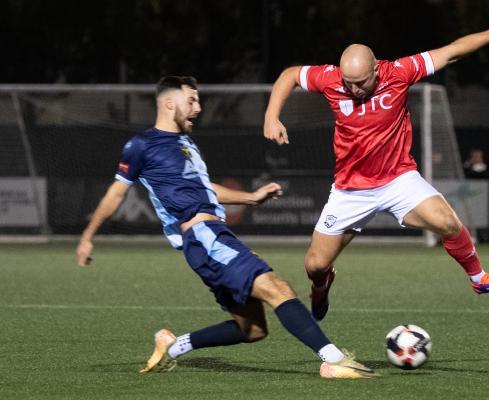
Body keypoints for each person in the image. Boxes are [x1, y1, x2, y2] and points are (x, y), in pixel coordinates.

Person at [76, 76, 374, 379]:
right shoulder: (141, 145)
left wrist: (251, 198)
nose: (197, 107)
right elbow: (116, 193)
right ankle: (333, 359)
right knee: (277, 288)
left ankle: (174, 346)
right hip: (203, 238)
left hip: (210, 239)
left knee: (253, 329)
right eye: (191, 100)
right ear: (169, 103)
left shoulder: (184, 143)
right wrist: (88, 237)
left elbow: (205, 188)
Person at [264, 19, 489, 321]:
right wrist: (272, 116)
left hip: (398, 180)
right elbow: (290, 75)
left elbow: (451, 52)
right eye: (348, 82)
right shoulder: (330, 79)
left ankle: (478, 278)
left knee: (448, 222)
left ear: (376, 68)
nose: (354, 89)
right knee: (314, 265)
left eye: (361, 82)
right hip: (350, 189)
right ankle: (322, 285)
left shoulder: (400, 72)